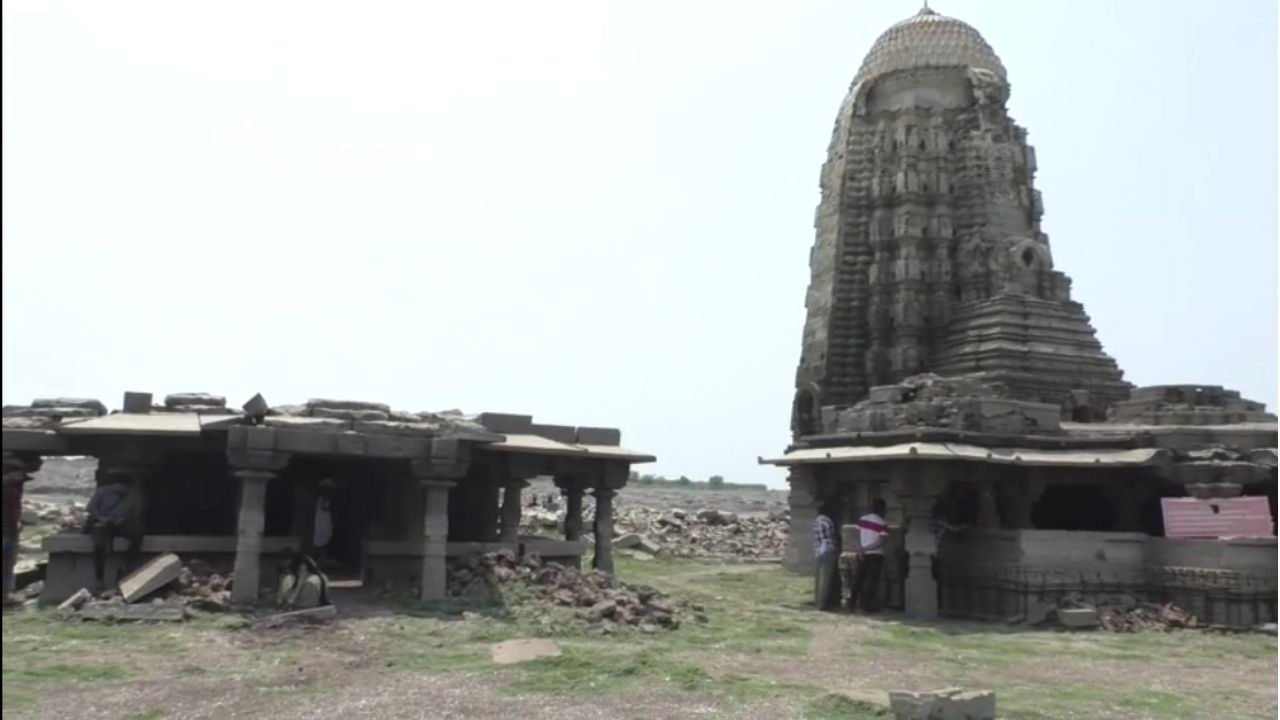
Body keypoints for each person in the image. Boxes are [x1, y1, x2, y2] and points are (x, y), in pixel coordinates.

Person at [84, 470, 145, 593]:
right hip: (101, 524)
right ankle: (99, 578)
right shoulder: (102, 492)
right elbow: (91, 508)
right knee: (99, 545)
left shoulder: (133, 496)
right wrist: (102, 519)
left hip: (120, 524)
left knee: (138, 534)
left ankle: (127, 564)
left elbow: (136, 514)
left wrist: (121, 520)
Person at [848, 498, 888, 613]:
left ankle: (852, 602)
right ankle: (866, 605)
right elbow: (880, 542)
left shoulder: (862, 520)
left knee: (858, 579)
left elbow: (856, 536)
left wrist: (860, 550)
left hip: (861, 554)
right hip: (875, 555)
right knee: (872, 581)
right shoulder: (882, 523)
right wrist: (866, 549)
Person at [2, 457, 31, 604]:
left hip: (11, 531)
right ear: (9, 473)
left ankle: (5, 595)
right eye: (19, 475)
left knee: (8, 564)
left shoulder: (15, 488)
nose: (20, 479)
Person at [811, 500, 842, 611]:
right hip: (828, 550)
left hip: (818, 550)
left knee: (819, 578)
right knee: (826, 579)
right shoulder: (827, 521)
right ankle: (823, 603)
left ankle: (818, 600)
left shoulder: (816, 521)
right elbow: (831, 537)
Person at [313, 479, 335, 562]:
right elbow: (323, 507)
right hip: (322, 518)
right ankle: (320, 556)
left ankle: (322, 556)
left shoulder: (323, 497)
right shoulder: (323, 497)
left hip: (324, 518)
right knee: (322, 536)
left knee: (324, 537)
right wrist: (330, 508)